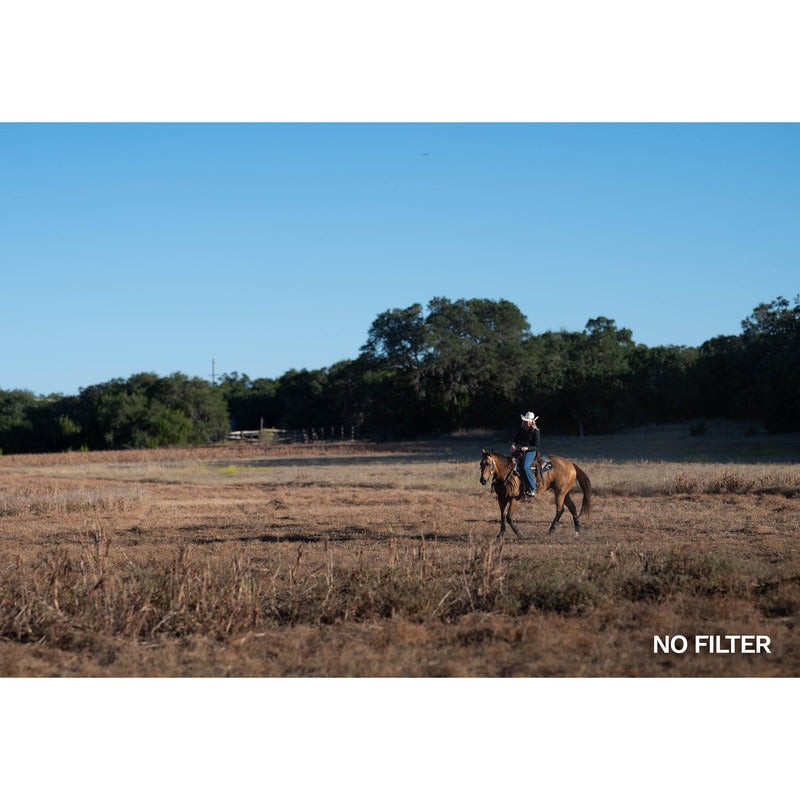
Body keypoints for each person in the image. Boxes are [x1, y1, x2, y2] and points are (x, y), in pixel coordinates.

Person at [512, 411, 540, 497]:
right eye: (526, 420)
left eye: (529, 421)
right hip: (521, 450)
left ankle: (533, 488)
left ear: (532, 421)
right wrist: (513, 445)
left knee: (525, 467)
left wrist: (527, 448)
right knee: (510, 463)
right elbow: (516, 439)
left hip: (531, 451)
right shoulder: (522, 429)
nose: (527, 422)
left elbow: (536, 446)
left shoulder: (535, 431)